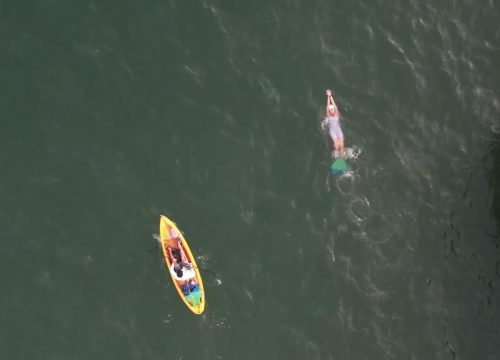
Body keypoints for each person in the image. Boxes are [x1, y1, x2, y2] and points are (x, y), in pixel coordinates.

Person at [325, 88, 344, 157]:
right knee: (337, 145)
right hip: (332, 131)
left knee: (341, 144)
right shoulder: (328, 115)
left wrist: (330, 96)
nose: (332, 110)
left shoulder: (337, 113)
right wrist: (328, 96)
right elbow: (328, 105)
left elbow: (334, 104)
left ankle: (341, 157)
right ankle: (336, 156)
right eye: (330, 110)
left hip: (338, 129)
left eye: (332, 109)